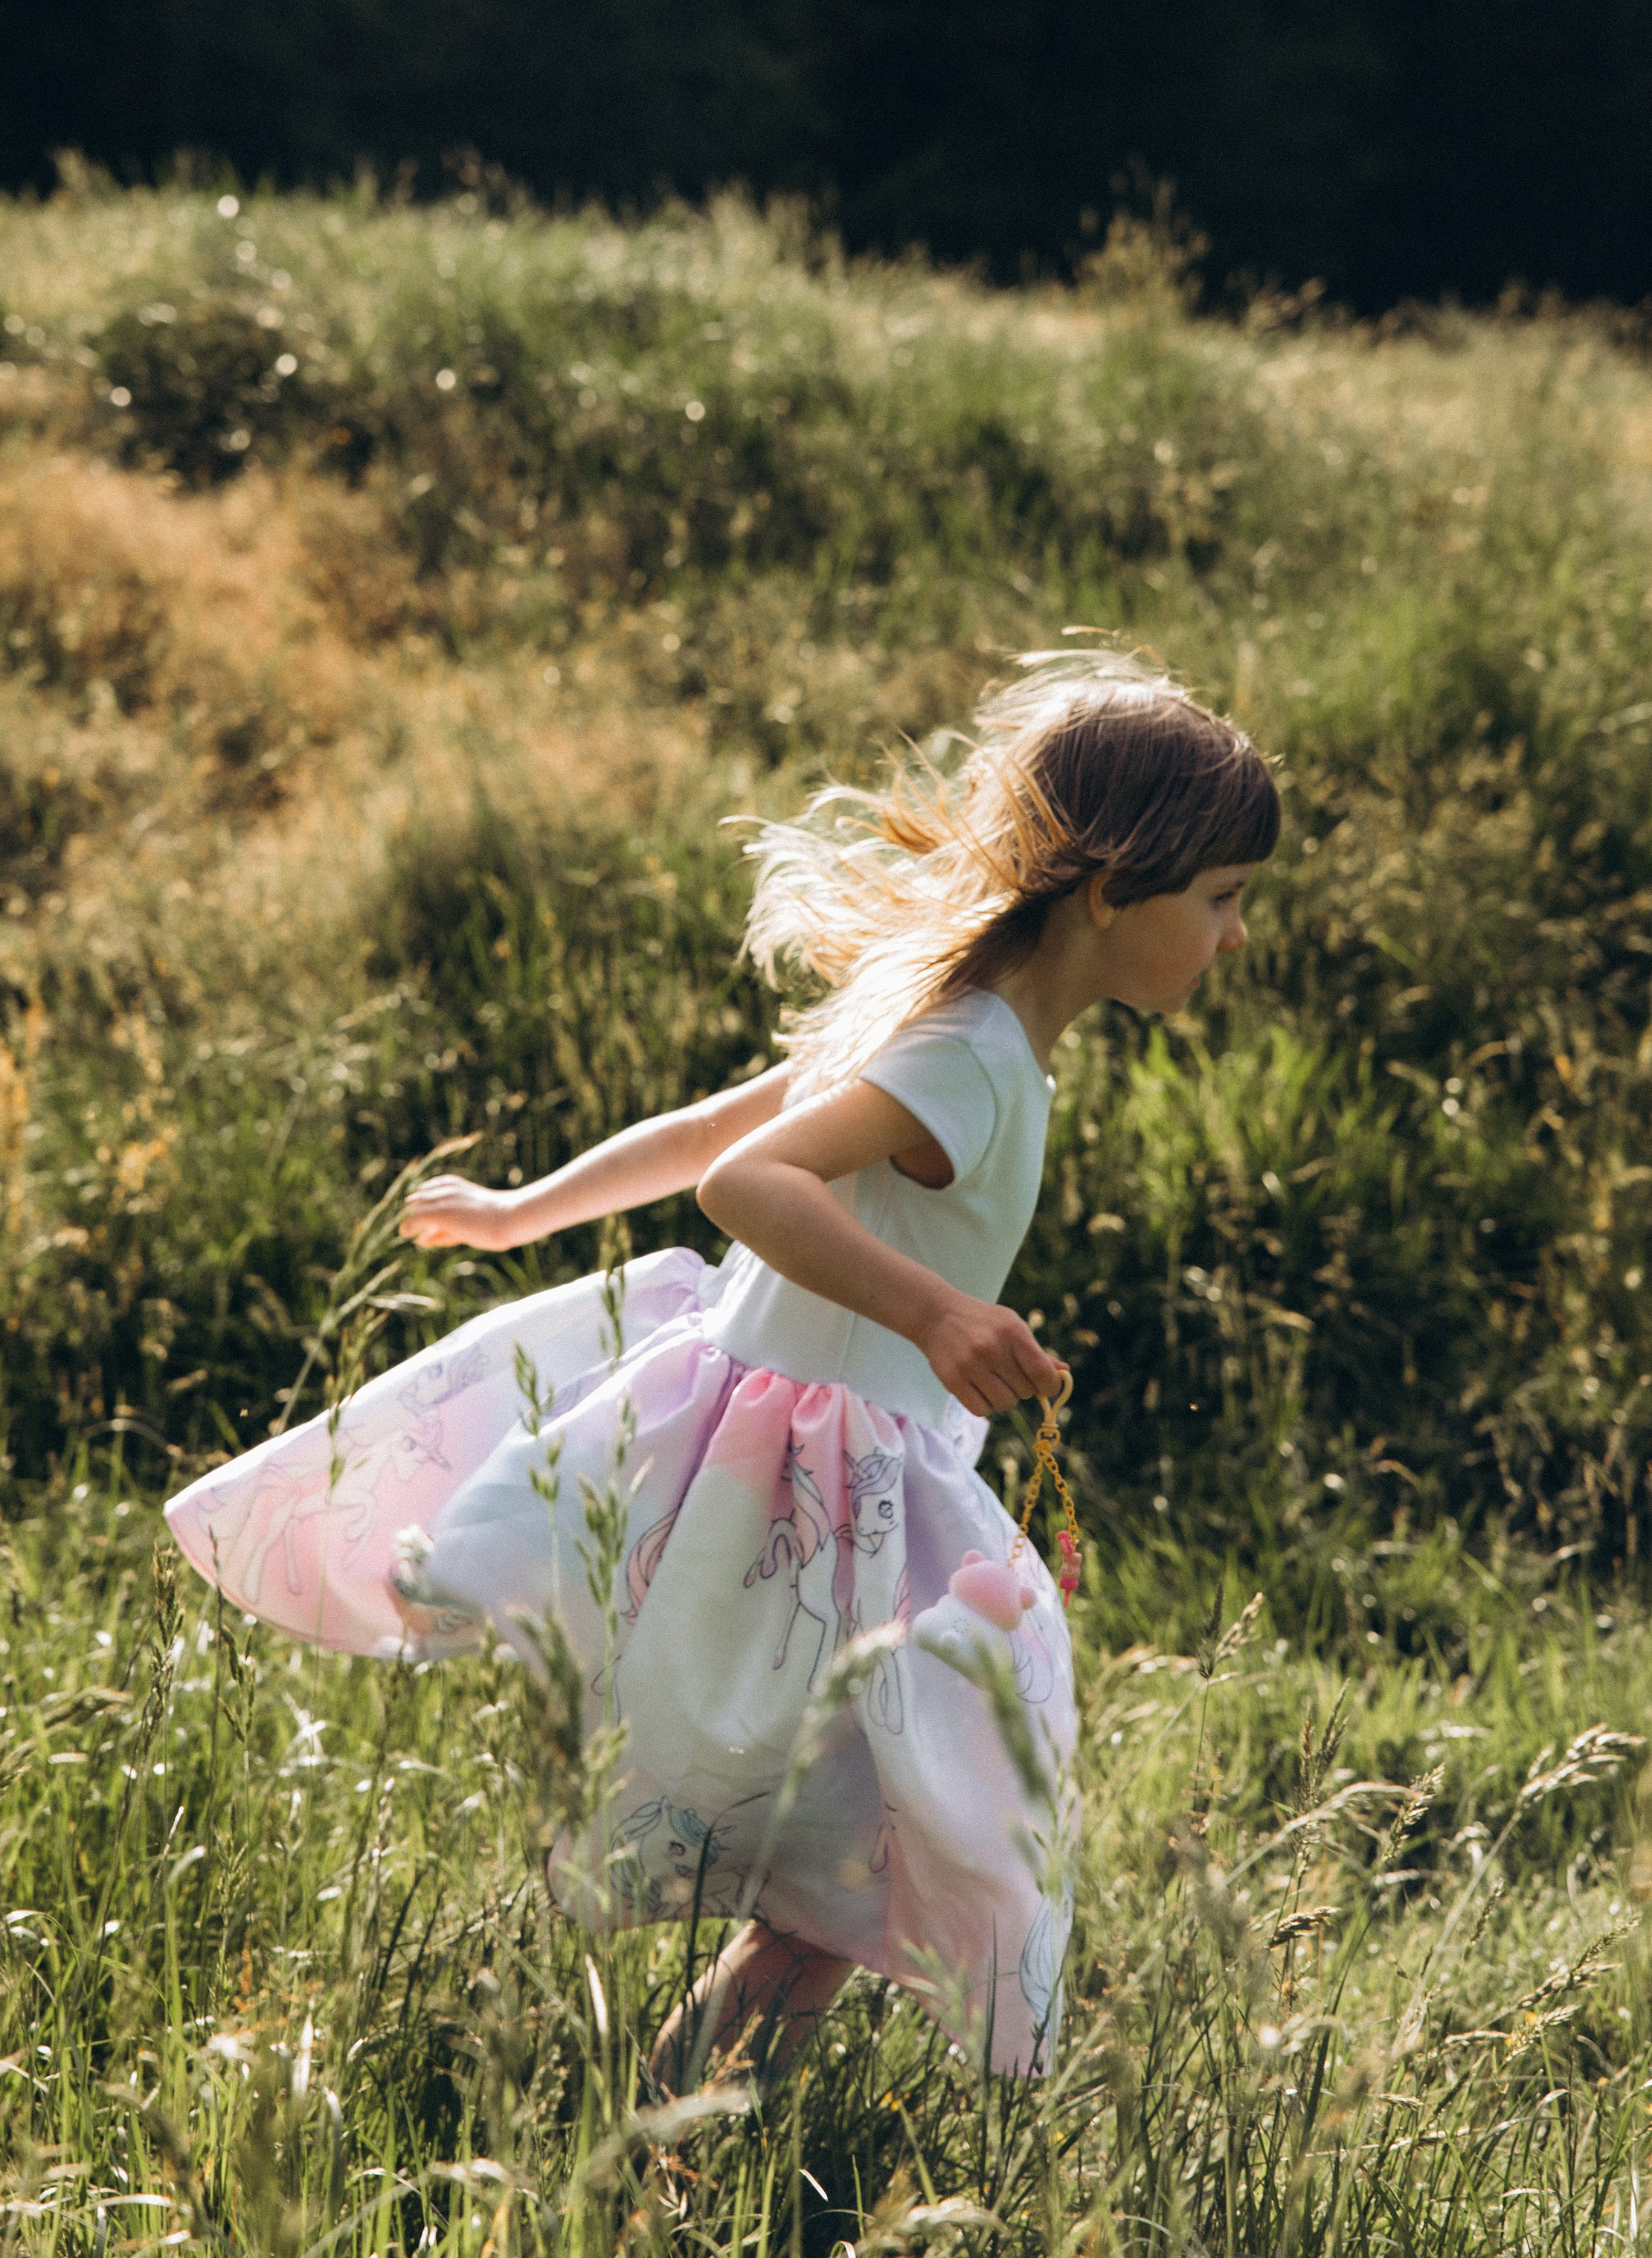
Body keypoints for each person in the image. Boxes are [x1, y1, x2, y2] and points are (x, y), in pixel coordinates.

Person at [163, 650, 1277, 2087]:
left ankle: (664, 2141)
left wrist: (523, 1213)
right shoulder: (976, 1057)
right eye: (1224, 898)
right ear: (1115, 891)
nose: (1236, 935)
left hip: (827, 1466)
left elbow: (713, 1135)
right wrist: (939, 1316)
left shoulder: (954, 1024)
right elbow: (749, 1178)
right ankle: (661, 2153)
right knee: (860, 1854)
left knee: (847, 1864)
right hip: (817, 1484)